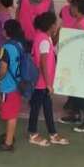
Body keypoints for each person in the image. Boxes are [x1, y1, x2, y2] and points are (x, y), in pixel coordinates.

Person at [29, 11, 68, 147]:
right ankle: (33, 134)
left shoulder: (42, 36)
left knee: (47, 107)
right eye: (55, 24)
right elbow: (43, 63)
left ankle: (53, 133)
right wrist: (48, 84)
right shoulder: (44, 41)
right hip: (42, 83)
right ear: (51, 26)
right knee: (36, 108)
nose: (56, 26)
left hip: (43, 82)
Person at [0, 19, 27, 152]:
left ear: (7, 31)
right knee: (12, 111)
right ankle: (8, 135)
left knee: (10, 114)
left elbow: (3, 69)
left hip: (8, 85)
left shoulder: (6, 48)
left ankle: (8, 143)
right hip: (18, 83)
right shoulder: (19, 45)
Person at [59, 0, 84, 128]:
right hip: (75, 61)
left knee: (81, 93)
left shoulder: (82, 23)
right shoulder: (80, 21)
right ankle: (76, 114)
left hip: (79, 62)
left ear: (77, 8)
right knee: (75, 91)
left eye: (72, 7)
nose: (70, 9)